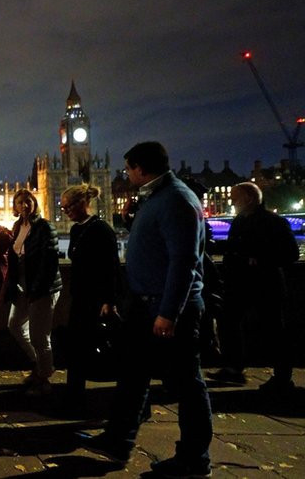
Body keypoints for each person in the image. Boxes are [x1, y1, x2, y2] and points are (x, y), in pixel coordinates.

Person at [82, 142, 212, 478]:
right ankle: (117, 440)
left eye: (128, 169)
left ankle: (195, 459)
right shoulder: (157, 197)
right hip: (143, 306)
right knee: (132, 375)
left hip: (166, 309)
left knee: (187, 384)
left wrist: (168, 313)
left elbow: (184, 262)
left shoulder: (177, 199)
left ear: (141, 168)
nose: (125, 174)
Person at [210, 182, 299, 391]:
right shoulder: (241, 220)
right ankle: (234, 368)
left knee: (273, 330)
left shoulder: (274, 222)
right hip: (240, 283)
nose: (231, 202)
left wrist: (258, 259)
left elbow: (291, 254)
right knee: (229, 321)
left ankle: (282, 377)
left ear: (249, 199)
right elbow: (235, 247)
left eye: (235, 198)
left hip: (264, 284)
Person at [59, 184, 120, 409]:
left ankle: (82, 399)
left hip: (95, 300)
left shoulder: (101, 229)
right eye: (62, 207)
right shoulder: (76, 230)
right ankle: (74, 397)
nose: (65, 211)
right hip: (79, 298)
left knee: (87, 350)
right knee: (75, 349)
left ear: (83, 203)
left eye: (68, 207)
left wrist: (109, 301)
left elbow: (111, 267)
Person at [5, 189, 61, 395]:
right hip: (22, 287)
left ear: (34, 203)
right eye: (19, 202)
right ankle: (40, 365)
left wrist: (37, 288)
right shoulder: (18, 226)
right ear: (15, 207)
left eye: (27, 201)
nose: (24, 205)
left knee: (40, 336)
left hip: (42, 288)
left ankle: (43, 378)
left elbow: (50, 262)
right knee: (14, 325)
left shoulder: (44, 227)